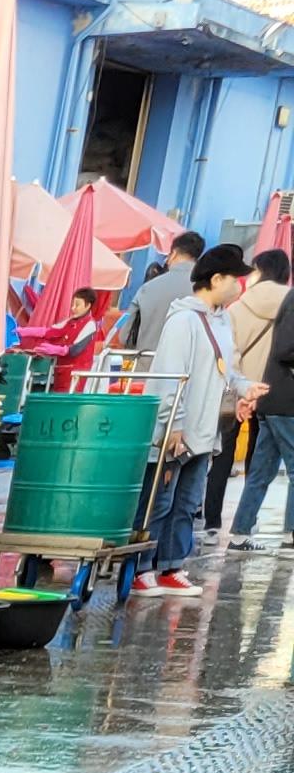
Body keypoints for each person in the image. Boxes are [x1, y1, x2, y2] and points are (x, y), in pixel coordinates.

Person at [142, 247, 247, 594]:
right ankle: (142, 568)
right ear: (216, 279)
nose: (239, 286)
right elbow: (170, 376)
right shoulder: (184, 320)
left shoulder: (222, 321)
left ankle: (171, 566)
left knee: (186, 503)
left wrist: (244, 387)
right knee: (159, 502)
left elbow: (225, 369)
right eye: (235, 279)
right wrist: (173, 423)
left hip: (203, 429)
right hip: (177, 430)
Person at [236, 262, 294, 540]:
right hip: (286, 400)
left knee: (261, 471)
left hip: (274, 397)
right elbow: (285, 349)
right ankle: (291, 532)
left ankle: (240, 530)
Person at [118, 228, 209, 373]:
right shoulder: (206, 292)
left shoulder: (147, 288)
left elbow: (125, 336)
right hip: (184, 376)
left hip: (144, 371)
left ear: (174, 254)